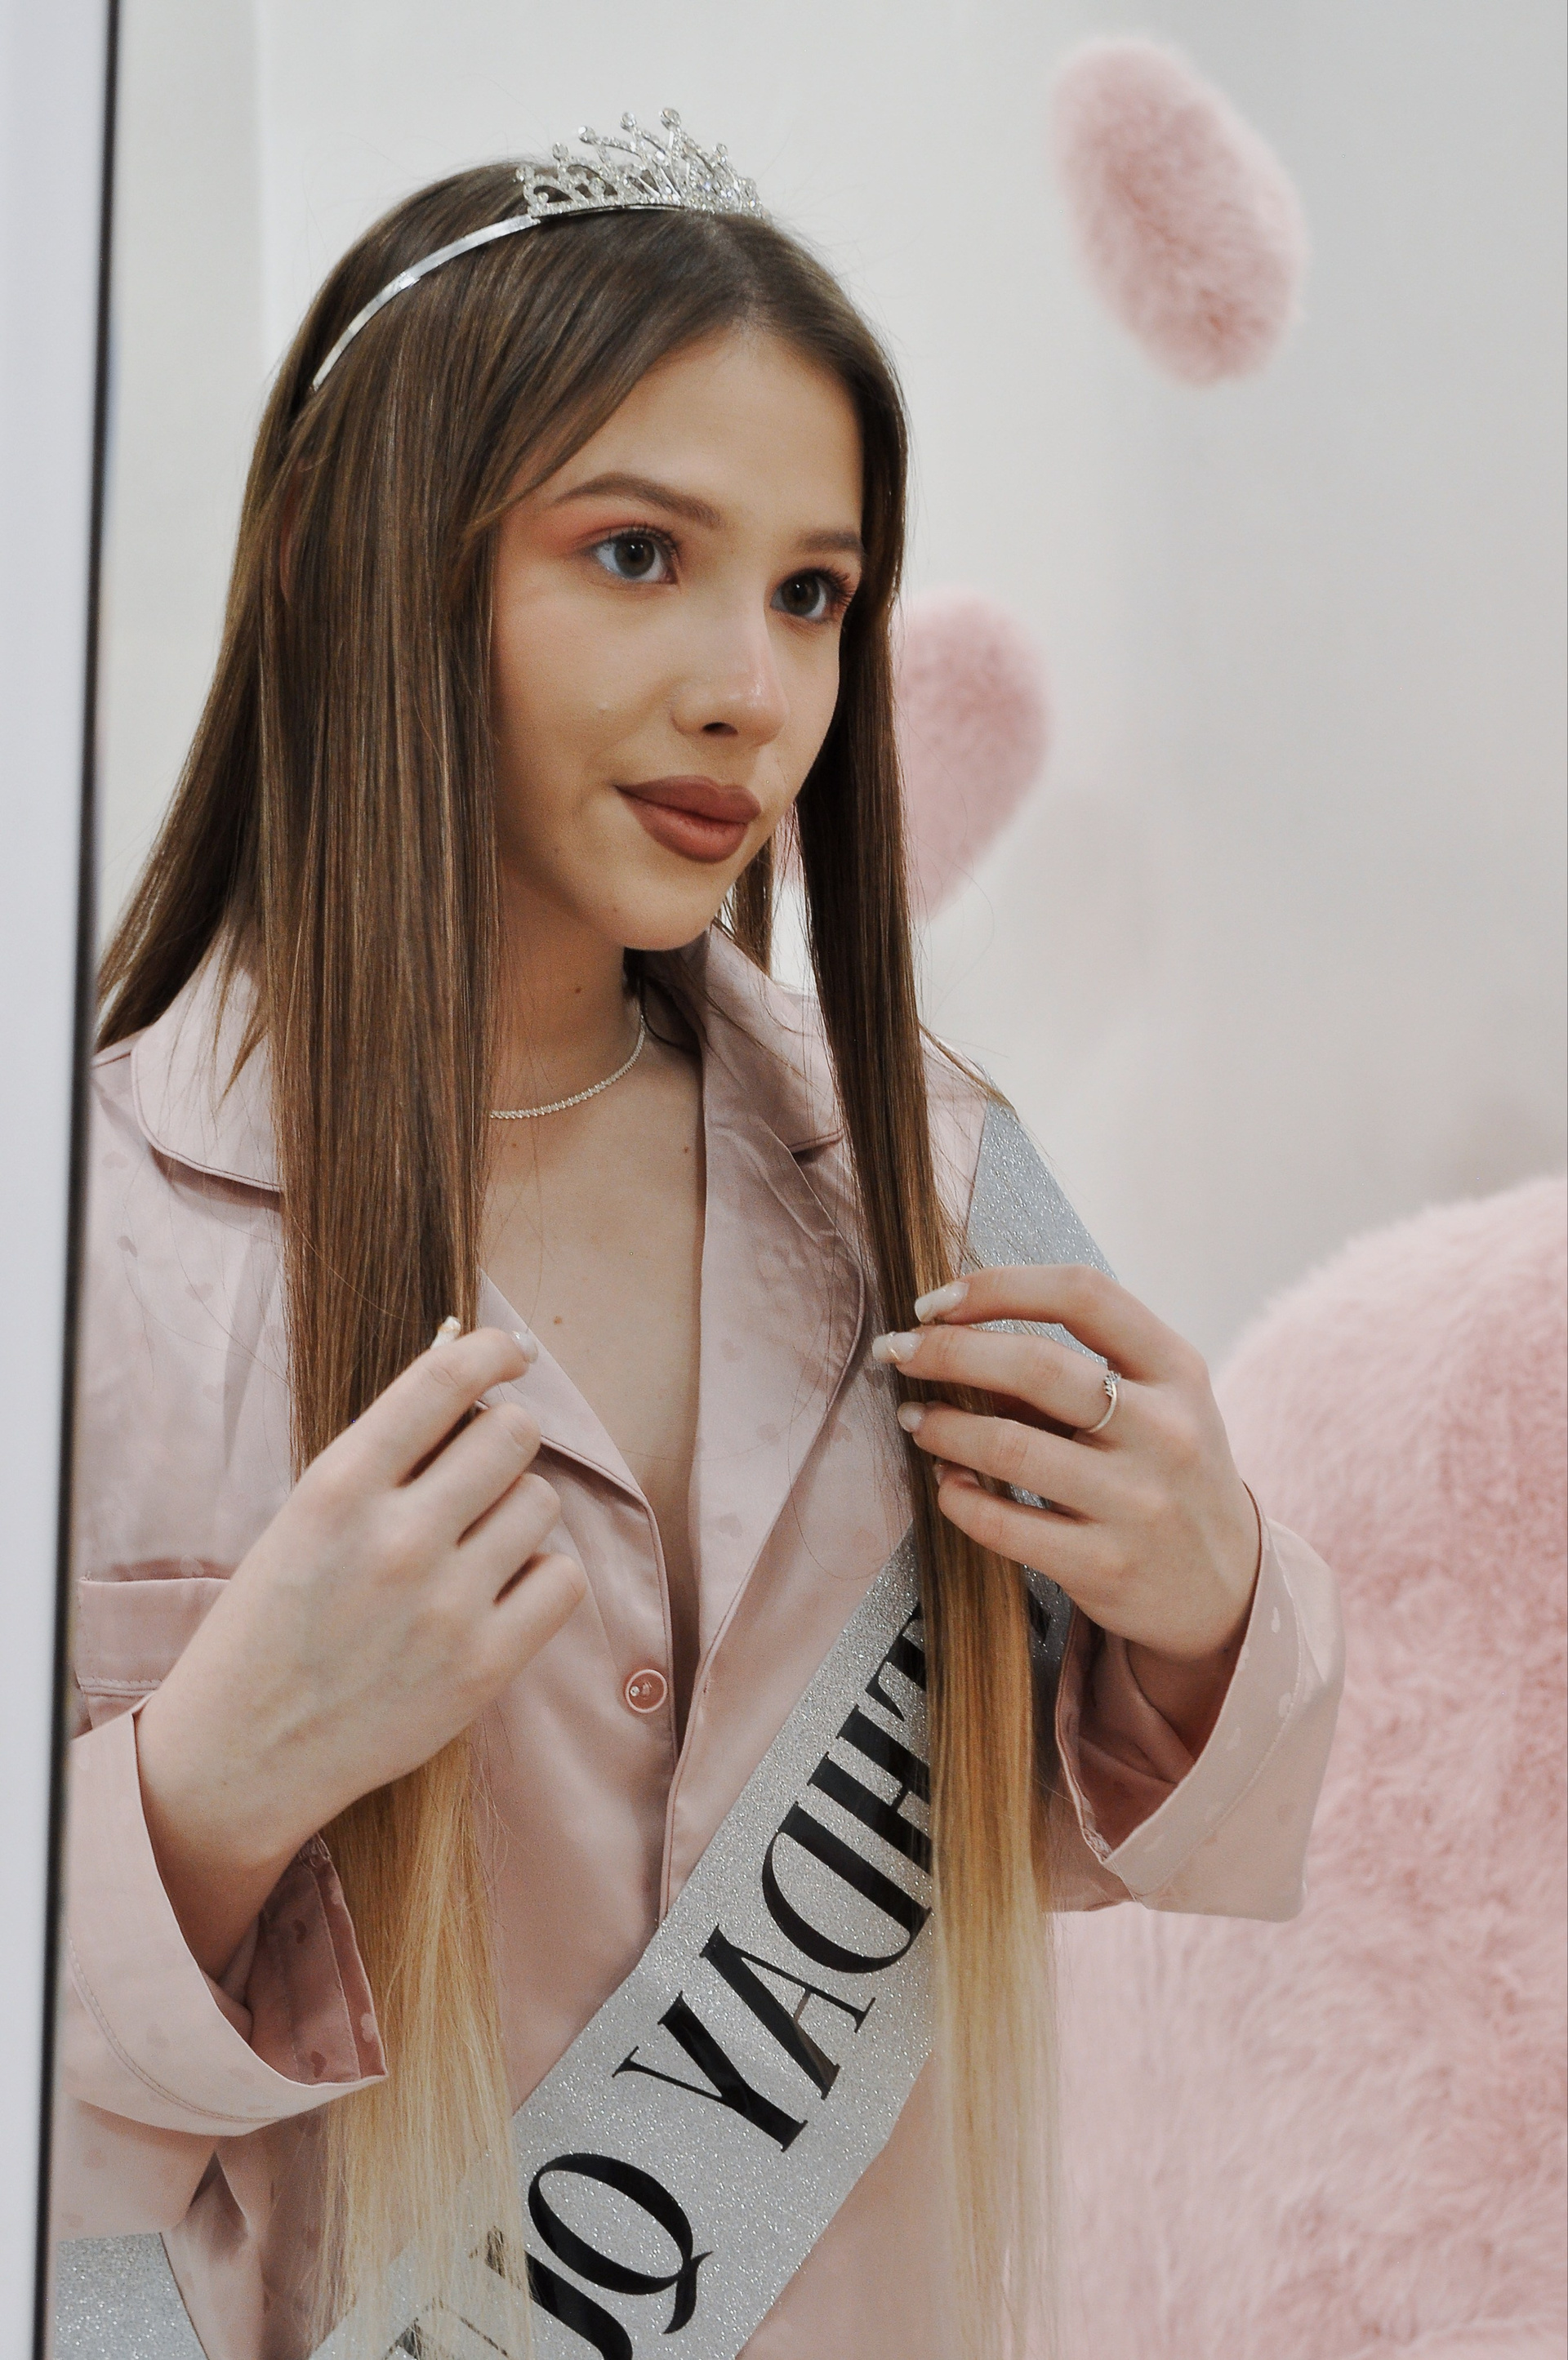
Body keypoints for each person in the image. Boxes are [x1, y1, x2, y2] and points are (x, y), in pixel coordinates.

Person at [56, 114, 1343, 2360]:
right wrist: (206, 1792)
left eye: (814, 591)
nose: (756, 685)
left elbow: (1156, 1816)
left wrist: (1208, 1603)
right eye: (639, 553)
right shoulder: (85, 1239)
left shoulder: (930, 1172)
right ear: (367, 556)